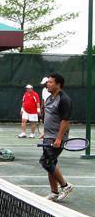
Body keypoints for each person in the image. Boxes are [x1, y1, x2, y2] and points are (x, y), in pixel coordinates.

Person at [40, 72, 74, 202]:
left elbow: (65, 121)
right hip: (48, 135)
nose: (47, 84)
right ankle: (54, 192)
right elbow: (50, 117)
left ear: (58, 84)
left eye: (50, 82)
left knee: (46, 162)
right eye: (47, 82)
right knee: (51, 164)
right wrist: (45, 131)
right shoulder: (49, 98)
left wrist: (59, 138)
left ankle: (65, 186)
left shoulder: (64, 99)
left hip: (56, 137)